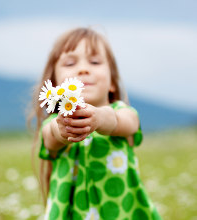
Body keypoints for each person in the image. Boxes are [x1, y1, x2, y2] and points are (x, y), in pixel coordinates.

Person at [31, 27, 162, 220]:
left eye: (95, 62)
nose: (83, 69)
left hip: (120, 212)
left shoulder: (123, 113)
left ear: (112, 83)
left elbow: (126, 123)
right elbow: (52, 137)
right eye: (70, 63)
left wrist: (100, 118)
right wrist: (64, 129)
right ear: (55, 85)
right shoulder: (54, 123)